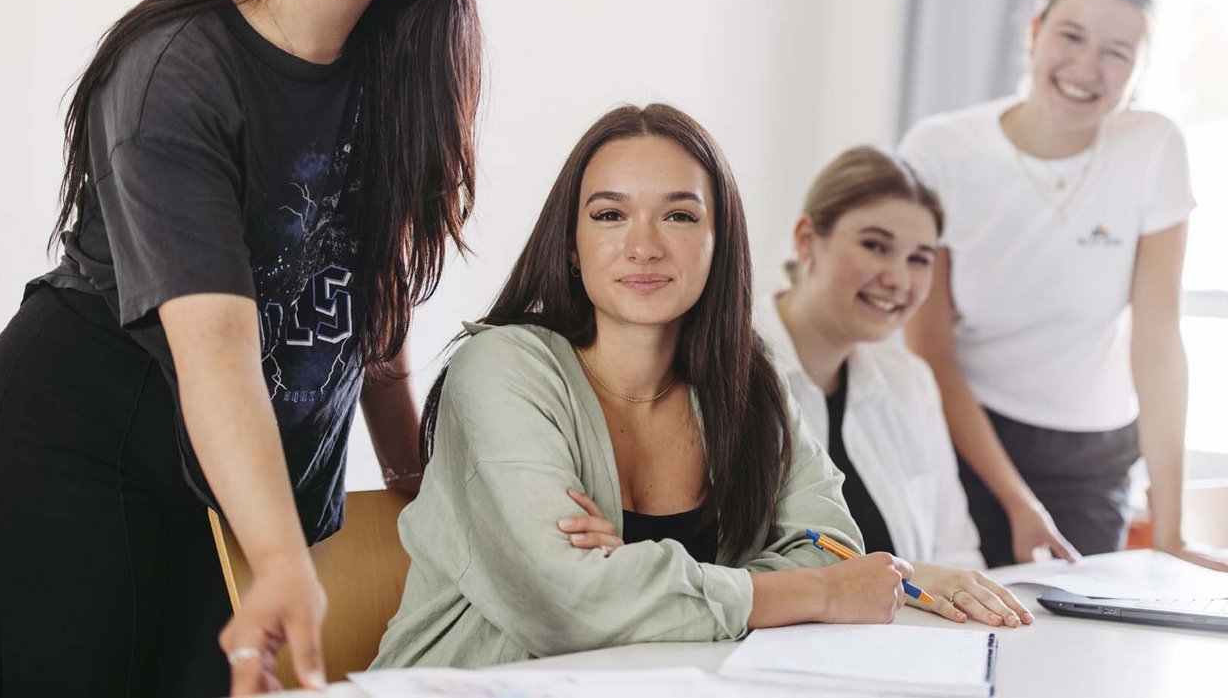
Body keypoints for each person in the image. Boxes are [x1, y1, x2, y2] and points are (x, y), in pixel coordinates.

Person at [0, 0, 482, 698]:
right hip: (84, 456)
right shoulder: (176, 68)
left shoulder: (397, 82)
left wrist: (413, 476)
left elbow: (368, 309)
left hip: (241, 499)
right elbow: (215, 342)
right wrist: (280, 555)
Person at [373, 104, 931, 670]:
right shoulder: (500, 370)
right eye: (610, 214)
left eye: (680, 217)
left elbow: (832, 547)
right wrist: (818, 595)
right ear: (572, 243)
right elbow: (566, 606)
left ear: (719, 241)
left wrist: (631, 572)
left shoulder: (750, 384)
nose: (643, 246)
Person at [900, 0, 1228, 576]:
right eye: (1071, 36)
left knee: (1074, 640)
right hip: (965, 433)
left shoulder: (1153, 147)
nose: (1086, 67)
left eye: (1117, 52)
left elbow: (1157, 345)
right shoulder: (941, 150)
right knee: (964, 625)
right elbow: (931, 351)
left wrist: (1172, 533)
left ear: (1139, 70)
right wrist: (1016, 500)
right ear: (1034, 33)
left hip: (1092, 453)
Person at [763, 146, 1033, 629]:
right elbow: (726, 560)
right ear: (807, 240)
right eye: (875, 246)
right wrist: (914, 577)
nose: (898, 279)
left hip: (911, 654)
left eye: (919, 258)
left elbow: (957, 552)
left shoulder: (910, 381)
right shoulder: (723, 370)